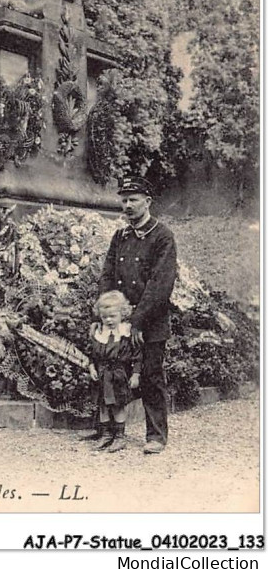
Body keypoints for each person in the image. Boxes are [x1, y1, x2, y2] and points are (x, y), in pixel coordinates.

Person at [98, 175, 177, 454]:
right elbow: (108, 274)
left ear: (148, 202)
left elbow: (160, 284)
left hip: (150, 321)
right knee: (116, 375)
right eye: (124, 200)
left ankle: (156, 436)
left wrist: (137, 320)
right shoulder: (120, 236)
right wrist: (108, 309)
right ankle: (113, 432)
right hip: (119, 321)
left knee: (151, 377)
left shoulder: (162, 235)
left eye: (133, 200)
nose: (127, 205)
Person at [87, 291, 142, 453]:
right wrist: (91, 368)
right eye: (105, 317)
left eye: (113, 316)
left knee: (118, 405)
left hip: (119, 375)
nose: (109, 320)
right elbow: (91, 354)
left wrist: (136, 374)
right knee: (103, 405)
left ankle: (119, 437)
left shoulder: (125, 334)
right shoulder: (99, 334)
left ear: (122, 314)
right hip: (103, 374)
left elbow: (137, 356)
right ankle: (105, 434)